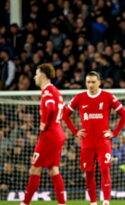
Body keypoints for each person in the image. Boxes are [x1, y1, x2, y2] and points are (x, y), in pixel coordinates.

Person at [63, 71, 125, 205]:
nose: (91, 85)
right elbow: (65, 115)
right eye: (88, 82)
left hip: (102, 142)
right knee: (89, 173)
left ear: (99, 82)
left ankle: (106, 201)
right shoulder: (79, 97)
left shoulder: (108, 97)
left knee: (105, 170)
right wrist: (75, 131)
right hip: (87, 143)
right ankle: (93, 202)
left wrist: (114, 133)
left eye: (93, 82)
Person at [20, 63, 66, 205]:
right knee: (53, 169)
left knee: (35, 168)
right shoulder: (56, 91)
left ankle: (25, 203)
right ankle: (62, 203)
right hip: (58, 133)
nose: (34, 77)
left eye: (36, 73)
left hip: (49, 134)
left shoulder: (47, 92)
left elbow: (51, 107)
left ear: (43, 75)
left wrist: (44, 123)